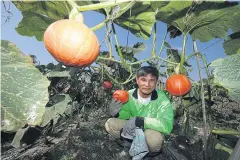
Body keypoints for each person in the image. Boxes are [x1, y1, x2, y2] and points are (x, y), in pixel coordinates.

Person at [105, 66, 174, 159]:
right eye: (143, 80)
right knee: (110, 123)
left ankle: (143, 152)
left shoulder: (162, 100)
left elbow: (167, 125)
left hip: (150, 131)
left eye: (151, 80)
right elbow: (126, 114)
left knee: (154, 141)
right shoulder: (128, 95)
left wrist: (141, 121)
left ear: (156, 82)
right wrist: (116, 113)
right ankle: (131, 145)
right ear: (137, 80)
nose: (147, 84)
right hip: (133, 130)